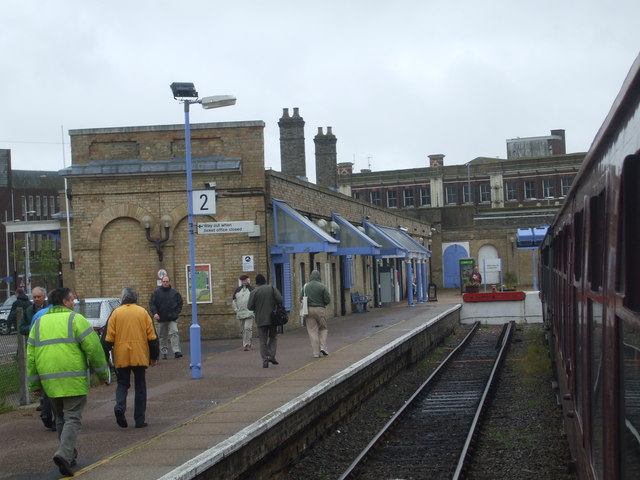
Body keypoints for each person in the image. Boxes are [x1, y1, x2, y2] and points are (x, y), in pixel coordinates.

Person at [27, 287, 109, 477]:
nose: (73, 303)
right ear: (64, 302)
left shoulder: (39, 323)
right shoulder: (76, 320)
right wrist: (103, 373)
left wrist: (35, 385)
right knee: (72, 418)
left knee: (61, 419)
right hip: (73, 379)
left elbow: (30, 357)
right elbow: (94, 349)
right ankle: (64, 454)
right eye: (71, 300)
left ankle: (69, 456)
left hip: (50, 383)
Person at [103, 287, 159, 429]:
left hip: (121, 355)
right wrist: (154, 356)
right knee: (140, 386)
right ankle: (139, 420)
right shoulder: (143, 313)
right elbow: (152, 337)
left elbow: (108, 338)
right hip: (139, 354)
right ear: (136, 298)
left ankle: (120, 406)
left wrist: (105, 355)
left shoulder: (115, 313)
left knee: (122, 383)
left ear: (123, 298)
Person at [247, 274, 282, 368]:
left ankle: (265, 360)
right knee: (273, 337)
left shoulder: (254, 292)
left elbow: (249, 307)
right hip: (273, 318)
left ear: (257, 282)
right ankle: (271, 355)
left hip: (260, 319)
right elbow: (280, 299)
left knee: (262, 340)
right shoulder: (271, 288)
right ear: (265, 280)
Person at [149, 275, 183, 360]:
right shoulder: (156, 293)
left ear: (169, 282)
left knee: (174, 333)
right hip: (161, 318)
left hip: (172, 318)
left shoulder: (174, 293)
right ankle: (164, 352)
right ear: (161, 282)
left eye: (167, 281)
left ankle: (176, 351)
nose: (165, 283)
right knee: (162, 336)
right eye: (164, 281)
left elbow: (180, 303)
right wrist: (155, 313)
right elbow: (152, 304)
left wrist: (177, 313)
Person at [301, 270, 331, 358]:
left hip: (308, 310)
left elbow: (301, 298)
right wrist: (323, 303)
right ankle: (323, 347)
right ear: (319, 277)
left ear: (311, 276)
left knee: (312, 331)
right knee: (323, 328)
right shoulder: (322, 286)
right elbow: (327, 299)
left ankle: (316, 353)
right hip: (320, 309)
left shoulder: (305, 286)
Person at [232, 275, 255, 351]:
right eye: (242, 280)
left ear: (248, 280)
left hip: (249, 313)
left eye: (245, 280)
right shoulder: (238, 290)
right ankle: (246, 343)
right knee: (242, 330)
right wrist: (236, 310)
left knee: (247, 328)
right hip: (240, 313)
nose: (244, 282)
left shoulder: (252, 290)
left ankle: (247, 345)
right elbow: (234, 301)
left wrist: (253, 310)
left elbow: (255, 300)